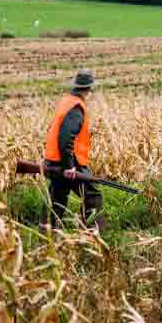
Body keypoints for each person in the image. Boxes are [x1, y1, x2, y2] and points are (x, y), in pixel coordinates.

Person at [42, 68, 103, 231]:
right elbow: (66, 138)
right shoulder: (76, 108)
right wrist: (69, 166)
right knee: (92, 196)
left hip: (55, 159)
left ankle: (47, 235)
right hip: (68, 161)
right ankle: (91, 235)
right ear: (89, 88)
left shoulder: (67, 101)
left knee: (57, 198)